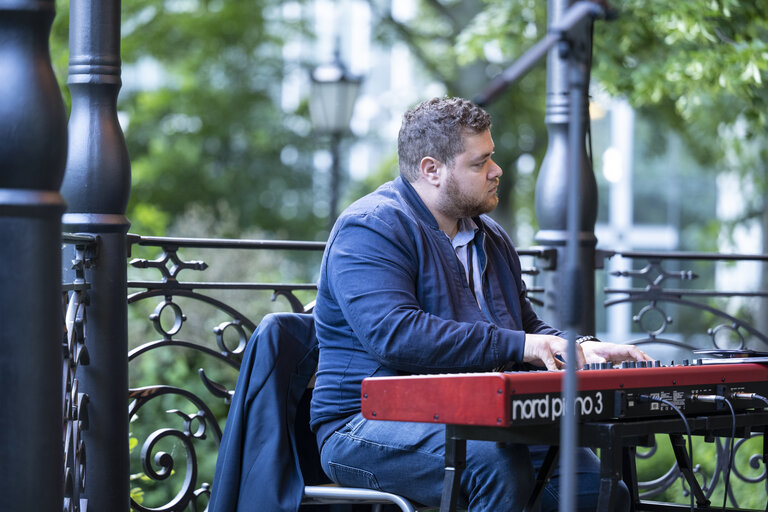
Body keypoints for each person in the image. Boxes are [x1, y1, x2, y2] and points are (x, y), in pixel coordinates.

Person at [309, 96, 652, 511]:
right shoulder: (371, 227)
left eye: (492, 157)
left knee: (599, 490)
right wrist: (523, 345)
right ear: (431, 170)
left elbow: (524, 326)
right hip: (361, 424)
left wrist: (578, 347)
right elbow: (396, 335)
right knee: (493, 464)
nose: (496, 170)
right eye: (479, 162)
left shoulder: (489, 235)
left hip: (481, 416)